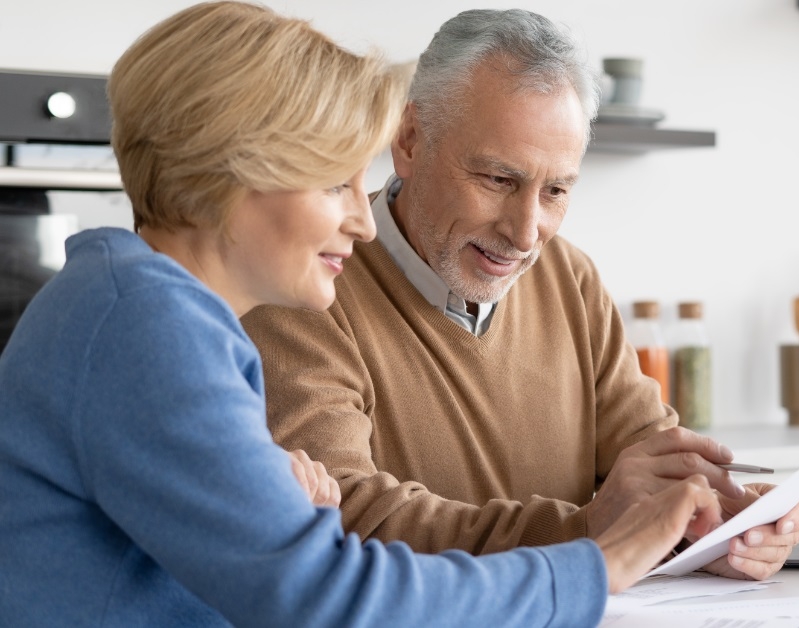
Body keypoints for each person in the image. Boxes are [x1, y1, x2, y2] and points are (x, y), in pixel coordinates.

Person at [0, 3, 725, 626]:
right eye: (334, 182)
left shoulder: (140, 308)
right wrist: (596, 565)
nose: (364, 220)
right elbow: (327, 597)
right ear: (235, 177)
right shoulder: (146, 327)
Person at [242, 7, 799, 580]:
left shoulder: (571, 278)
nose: (524, 232)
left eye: (557, 190)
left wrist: (725, 520)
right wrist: (588, 535)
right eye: (498, 180)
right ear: (411, 141)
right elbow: (348, 515)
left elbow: (651, 457)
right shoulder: (304, 285)